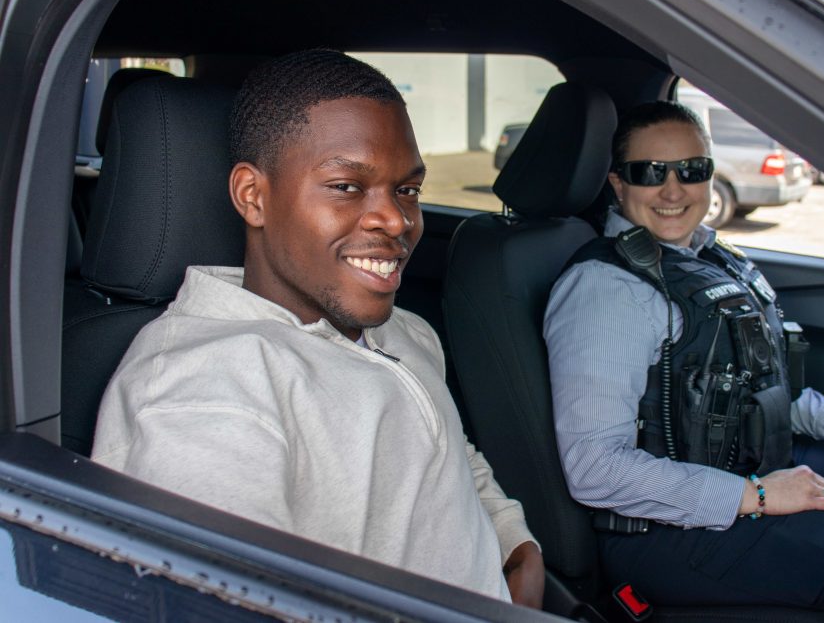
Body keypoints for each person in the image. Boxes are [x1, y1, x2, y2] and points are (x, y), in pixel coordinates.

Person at [92, 49, 544, 607]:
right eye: (347, 187)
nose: (397, 220)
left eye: (407, 190)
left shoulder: (404, 329)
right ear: (253, 196)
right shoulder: (201, 396)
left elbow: (448, 452)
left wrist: (514, 544)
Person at [544, 100, 824, 621]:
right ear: (617, 183)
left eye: (691, 171)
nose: (673, 190)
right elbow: (594, 469)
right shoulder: (608, 290)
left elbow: (760, 388)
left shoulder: (708, 258)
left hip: (754, 472)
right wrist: (758, 495)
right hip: (672, 532)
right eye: (650, 173)